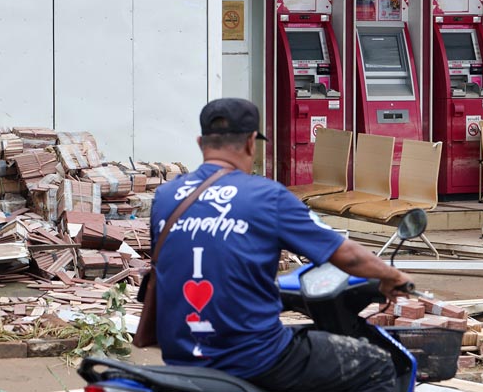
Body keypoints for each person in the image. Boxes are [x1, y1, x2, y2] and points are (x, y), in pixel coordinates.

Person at [151, 98, 414, 392]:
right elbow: (348, 257)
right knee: (376, 364)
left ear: (201, 143)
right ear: (252, 143)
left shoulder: (165, 197)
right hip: (252, 358)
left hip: (180, 353)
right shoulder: (267, 196)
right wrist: (395, 278)